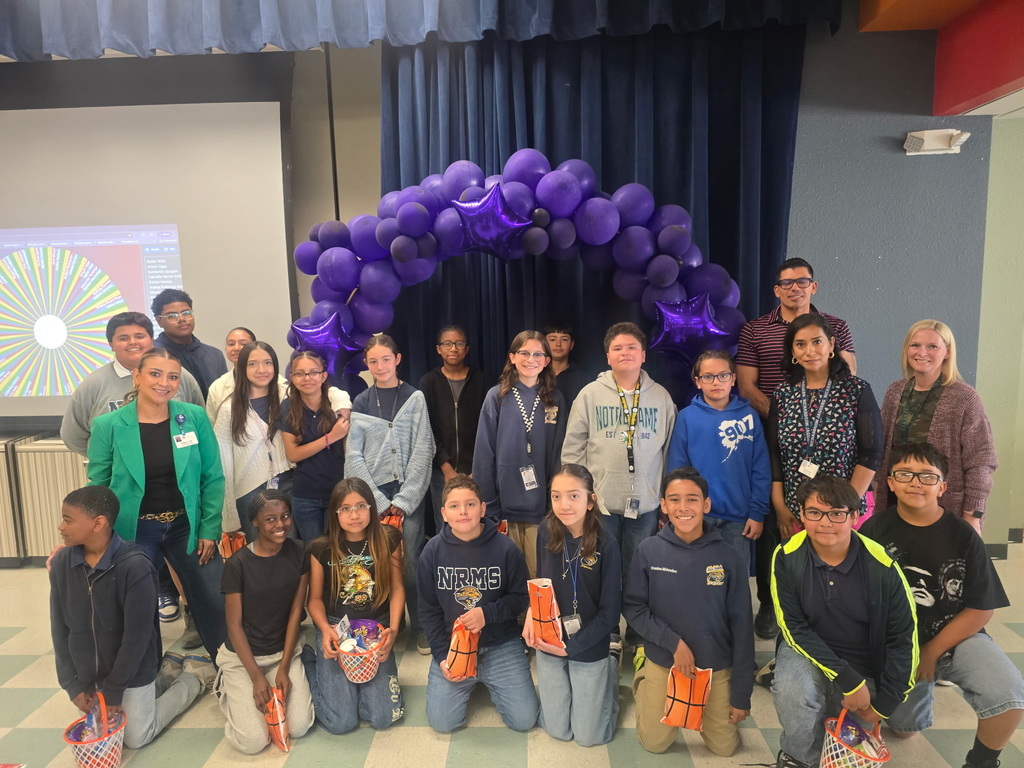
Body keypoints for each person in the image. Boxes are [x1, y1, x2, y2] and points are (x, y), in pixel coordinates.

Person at [860, 443, 1024, 768]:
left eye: (927, 476)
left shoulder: (963, 535)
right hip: (890, 646)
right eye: (904, 474)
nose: (915, 483)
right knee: (903, 729)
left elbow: (981, 609)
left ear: (942, 486)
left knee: (1009, 695)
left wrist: (932, 651)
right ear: (890, 482)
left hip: (952, 638)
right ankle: (912, 702)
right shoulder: (873, 531)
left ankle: (981, 762)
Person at [735, 258, 856, 640]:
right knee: (777, 530)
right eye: (786, 283)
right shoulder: (755, 330)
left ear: (813, 286)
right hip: (778, 434)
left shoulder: (836, 326)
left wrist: (808, 417)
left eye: (802, 282)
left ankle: (831, 608)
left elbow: (848, 377)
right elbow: (746, 386)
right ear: (776, 290)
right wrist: (786, 416)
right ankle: (771, 606)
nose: (794, 288)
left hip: (830, 443)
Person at [87, 348, 227, 660]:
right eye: (155, 373)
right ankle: (147, 673)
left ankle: (227, 667)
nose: (164, 382)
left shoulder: (192, 417)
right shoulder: (108, 425)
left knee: (215, 599)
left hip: (186, 526)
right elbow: (97, 487)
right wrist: (97, 537)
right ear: (137, 376)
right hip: (134, 530)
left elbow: (212, 476)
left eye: (172, 376)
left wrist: (209, 528)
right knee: (138, 606)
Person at [770, 474, 917, 768]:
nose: (825, 523)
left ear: (855, 516)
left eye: (837, 513)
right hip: (809, 650)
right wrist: (848, 681)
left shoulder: (882, 564)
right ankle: (799, 757)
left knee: (894, 711)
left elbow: (904, 637)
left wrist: (884, 705)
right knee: (792, 691)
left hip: (865, 658)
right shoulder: (787, 556)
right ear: (801, 514)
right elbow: (793, 628)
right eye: (814, 513)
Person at [50, 486, 210, 750]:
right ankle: (167, 673)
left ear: (97, 523)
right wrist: (72, 684)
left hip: (134, 670)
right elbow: (59, 628)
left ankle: (193, 678)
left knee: (136, 737)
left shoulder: (135, 566)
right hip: (89, 674)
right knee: (101, 736)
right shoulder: (61, 564)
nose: (60, 526)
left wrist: (113, 691)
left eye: (68, 520)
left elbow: (137, 637)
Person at [623, 467, 754, 757]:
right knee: (655, 745)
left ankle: (710, 703)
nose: (684, 508)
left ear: (706, 505)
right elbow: (633, 607)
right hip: (664, 662)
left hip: (715, 668)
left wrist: (741, 694)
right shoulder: (649, 550)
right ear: (664, 505)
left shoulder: (728, 556)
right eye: (675, 500)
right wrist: (674, 644)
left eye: (692, 500)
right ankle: (645, 682)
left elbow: (743, 627)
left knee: (725, 749)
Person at [562, 322, 676, 596]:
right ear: (608, 357)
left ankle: (637, 632)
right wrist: (581, 496)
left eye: (632, 347)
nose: (625, 352)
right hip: (600, 503)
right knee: (604, 568)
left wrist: (664, 496)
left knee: (639, 569)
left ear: (644, 354)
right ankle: (610, 630)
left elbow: (670, 451)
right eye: (618, 348)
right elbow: (573, 451)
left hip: (645, 504)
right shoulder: (589, 395)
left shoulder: (661, 397)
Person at [417, 474, 538, 733]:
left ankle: (490, 678)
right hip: (453, 645)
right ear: (444, 513)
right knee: (442, 723)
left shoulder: (506, 549)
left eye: (471, 504)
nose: (463, 511)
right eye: (454, 506)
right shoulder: (432, 552)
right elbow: (428, 611)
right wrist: (441, 656)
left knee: (525, 719)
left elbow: (520, 598)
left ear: (483, 509)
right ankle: (470, 681)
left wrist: (488, 614)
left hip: (500, 644)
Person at [347, 334, 434, 653]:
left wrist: (402, 502)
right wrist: (378, 503)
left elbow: (424, 449)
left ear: (398, 359)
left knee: (410, 563)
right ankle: (380, 625)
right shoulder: (361, 402)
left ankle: (421, 626)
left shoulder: (415, 398)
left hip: (408, 498)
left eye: (386, 359)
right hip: (373, 499)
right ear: (366, 365)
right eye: (373, 361)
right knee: (373, 565)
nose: (380, 366)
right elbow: (353, 455)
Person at [524, 463, 621, 747]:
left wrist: (571, 646)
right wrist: (532, 613)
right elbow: (540, 582)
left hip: (591, 642)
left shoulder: (607, 543)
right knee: (558, 730)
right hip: (551, 638)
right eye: (556, 496)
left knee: (588, 737)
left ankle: (611, 665)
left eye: (574, 496)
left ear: (591, 500)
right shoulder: (546, 531)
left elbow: (610, 613)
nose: (564, 505)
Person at [302, 478, 405, 733]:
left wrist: (392, 629)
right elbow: (313, 600)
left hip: (375, 629)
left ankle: (356, 692)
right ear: (335, 514)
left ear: (371, 507)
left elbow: (398, 588)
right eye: (345, 508)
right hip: (337, 629)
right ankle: (308, 662)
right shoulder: (320, 548)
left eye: (361, 506)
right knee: (341, 723)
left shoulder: (389, 538)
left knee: (384, 717)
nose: (354, 514)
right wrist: (325, 629)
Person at [767, 313, 882, 541]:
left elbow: (871, 454)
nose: (809, 351)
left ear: (831, 344)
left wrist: (845, 508)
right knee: (802, 574)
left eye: (817, 341)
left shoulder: (856, 390)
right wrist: (780, 506)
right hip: (797, 511)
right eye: (800, 344)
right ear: (792, 351)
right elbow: (774, 454)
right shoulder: (782, 394)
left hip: (847, 512)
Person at [874, 320, 997, 534]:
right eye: (915, 345)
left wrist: (973, 515)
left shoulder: (964, 398)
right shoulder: (895, 392)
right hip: (895, 505)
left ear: (947, 352)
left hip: (945, 509)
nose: (922, 352)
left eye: (933, 346)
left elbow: (981, 461)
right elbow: (883, 453)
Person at [216, 490, 314, 753]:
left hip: (283, 651)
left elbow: (296, 612)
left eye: (284, 516)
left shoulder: (300, 551)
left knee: (301, 726)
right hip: (243, 657)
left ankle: (293, 667)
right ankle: (225, 685)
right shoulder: (237, 564)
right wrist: (257, 677)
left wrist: (283, 667)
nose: (280, 525)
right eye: (270, 519)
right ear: (255, 522)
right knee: (253, 743)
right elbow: (234, 625)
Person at [665, 350, 770, 577]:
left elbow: (760, 469)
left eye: (723, 375)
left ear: (733, 379)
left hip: (739, 518)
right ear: (697, 381)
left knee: (736, 580)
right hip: (698, 517)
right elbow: (677, 471)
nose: (716, 382)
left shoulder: (749, 416)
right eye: (708, 377)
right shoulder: (686, 417)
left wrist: (757, 512)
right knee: (697, 579)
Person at [473, 330, 566, 578]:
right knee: (509, 574)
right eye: (524, 353)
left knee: (539, 575)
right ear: (512, 357)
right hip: (504, 507)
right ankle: (511, 619)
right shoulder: (497, 396)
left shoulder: (555, 399)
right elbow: (484, 452)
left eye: (538, 354)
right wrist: (489, 506)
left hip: (541, 507)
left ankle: (534, 618)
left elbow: (559, 454)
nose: (531, 359)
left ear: (547, 360)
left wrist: (553, 500)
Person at [61, 311, 204, 457]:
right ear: (111, 344)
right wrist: (110, 460)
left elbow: (200, 421)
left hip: (177, 469)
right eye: (123, 338)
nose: (133, 342)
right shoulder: (93, 384)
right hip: (120, 475)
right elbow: (73, 436)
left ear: (151, 340)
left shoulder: (179, 374)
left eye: (139, 336)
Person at [214, 342, 293, 542]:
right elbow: (223, 463)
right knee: (260, 555)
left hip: (289, 485)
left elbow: (328, 393)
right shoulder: (229, 408)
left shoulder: (288, 396)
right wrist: (229, 516)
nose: (261, 370)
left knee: (293, 550)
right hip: (250, 492)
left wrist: (343, 404)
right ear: (241, 368)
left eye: (267, 363)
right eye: (253, 364)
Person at [418, 325, 492, 535]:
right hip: (441, 471)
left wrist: (477, 467)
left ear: (467, 349)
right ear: (438, 349)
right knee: (445, 526)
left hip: (476, 470)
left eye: (459, 343)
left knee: (475, 524)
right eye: (447, 344)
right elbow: (427, 428)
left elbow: (488, 429)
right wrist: (446, 467)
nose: (453, 348)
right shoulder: (428, 382)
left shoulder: (483, 380)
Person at [278, 350, 350, 541]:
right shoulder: (288, 407)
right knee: (313, 554)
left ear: (323, 375)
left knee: (338, 551)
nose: (307, 378)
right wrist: (330, 437)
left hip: (338, 491)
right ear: (292, 378)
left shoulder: (336, 402)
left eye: (313, 372)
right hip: (306, 494)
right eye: (299, 373)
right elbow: (293, 454)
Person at [151, 288, 227, 399]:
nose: (181, 319)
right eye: (172, 316)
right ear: (159, 321)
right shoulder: (153, 355)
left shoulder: (214, 355)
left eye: (186, 313)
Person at [205, 326, 257, 424]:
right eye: (231, 344)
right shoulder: (217, 386)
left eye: (243, 344)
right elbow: (211, 425)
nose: (236, 348)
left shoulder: (273, 381)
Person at [544, 321, 592, 407]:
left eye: (564, 339)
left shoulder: (583, 379)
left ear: (571, 344)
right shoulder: (537, 375)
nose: (558, 344)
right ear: (544, 343)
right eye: (552, 339)